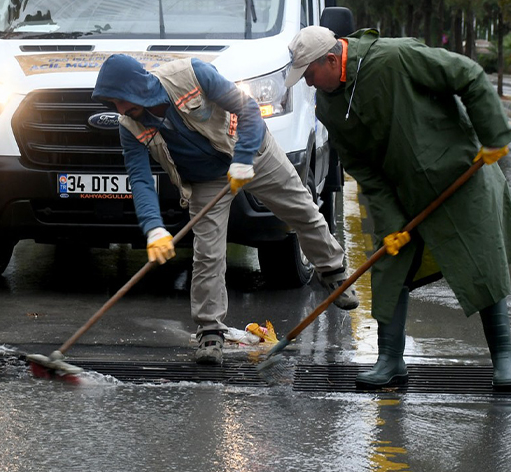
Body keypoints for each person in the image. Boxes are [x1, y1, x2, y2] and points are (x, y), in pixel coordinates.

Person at [287, 25, 511, 389]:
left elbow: (467, 74)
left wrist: (493, 134)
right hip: (401, 191)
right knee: (389, 265)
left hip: (460, 175)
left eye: (309, 74)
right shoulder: (328, 106)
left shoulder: (395, 58)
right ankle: (390, 359)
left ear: (331, 58)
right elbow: (364, 169)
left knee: (482, 258)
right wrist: (390, 223)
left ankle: (504, 358)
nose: (307, 83)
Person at [92, 54, 356, 366]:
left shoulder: (192, 74)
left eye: (122, 100)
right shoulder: (129, 125)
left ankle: (333, 272)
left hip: (252, 149)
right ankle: (209, 331)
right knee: (208, 253)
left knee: (300, 208)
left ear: (139, 87)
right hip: (205, 179)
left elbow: (248, 109)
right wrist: (154, 229)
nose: (121, 110)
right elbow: (139, 179)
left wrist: (243, 158)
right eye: (114, 103)